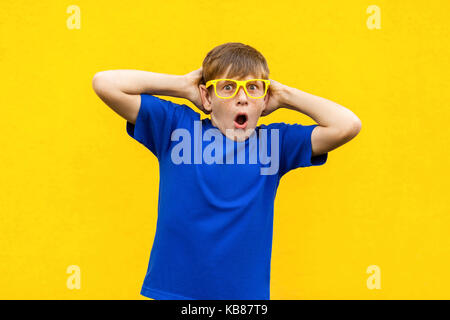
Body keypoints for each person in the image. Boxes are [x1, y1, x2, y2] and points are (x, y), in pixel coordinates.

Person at [92, 42, 362, 300]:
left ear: (265, 100)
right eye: (228, 88)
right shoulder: (175, 128)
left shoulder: (276, 144)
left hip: (243, 298)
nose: (242, 98)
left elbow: (347, 125)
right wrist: (183, 85)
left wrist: (285, 95)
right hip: (175, 293)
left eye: (253, 88)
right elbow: (105, 83)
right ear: (207, 97)